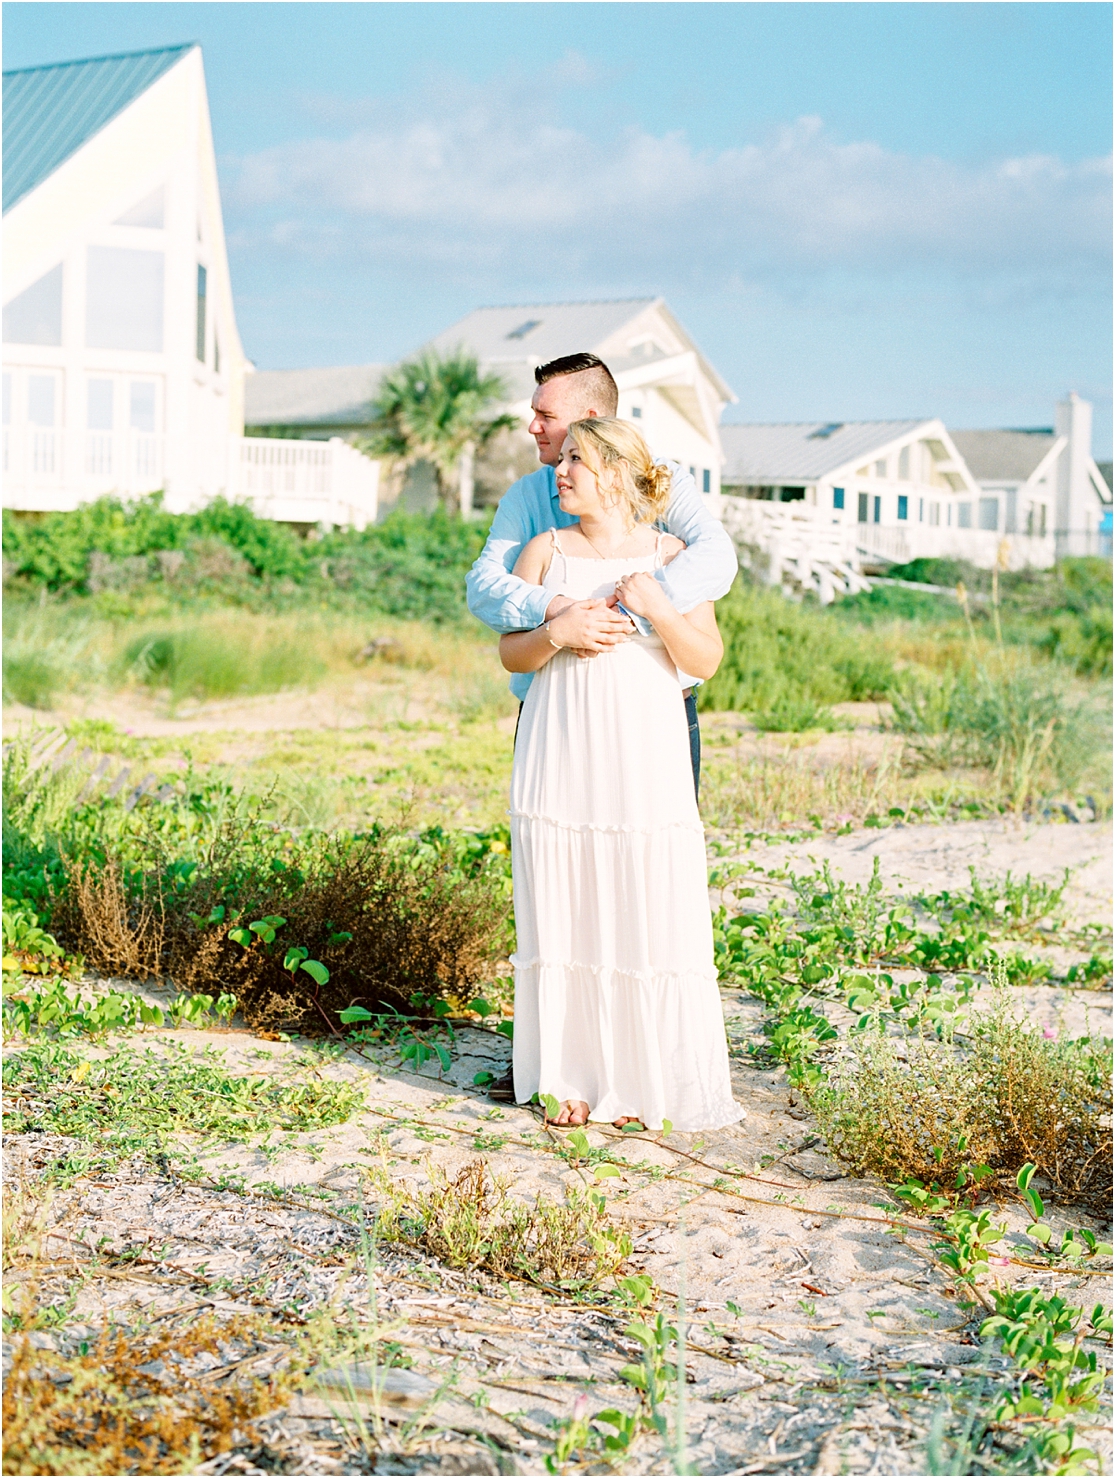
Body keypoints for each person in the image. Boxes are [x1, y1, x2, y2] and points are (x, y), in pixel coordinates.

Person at [497, 417, 742, 1131]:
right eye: (561, 458)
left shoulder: (674, 555)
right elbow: (511, 656)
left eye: (575, 460)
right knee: (564, 893)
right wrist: (555, 632)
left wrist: (658, 605)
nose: (559, 471)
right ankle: (569, 1078)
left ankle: (649, 1079)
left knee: (646, 892)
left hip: (643, 747)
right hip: (561, 741)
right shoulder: (545, 550)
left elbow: (703, 661)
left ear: (614, 472)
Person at [466, 352, 738, 798]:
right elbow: (485, 586)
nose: (533, 426)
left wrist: (632, 613)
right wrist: (561, 613)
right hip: (555, 713)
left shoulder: (661, 482)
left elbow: (716, 557)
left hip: (658, 713)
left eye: (545, 415)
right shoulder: (529, 499)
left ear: (589, 419)